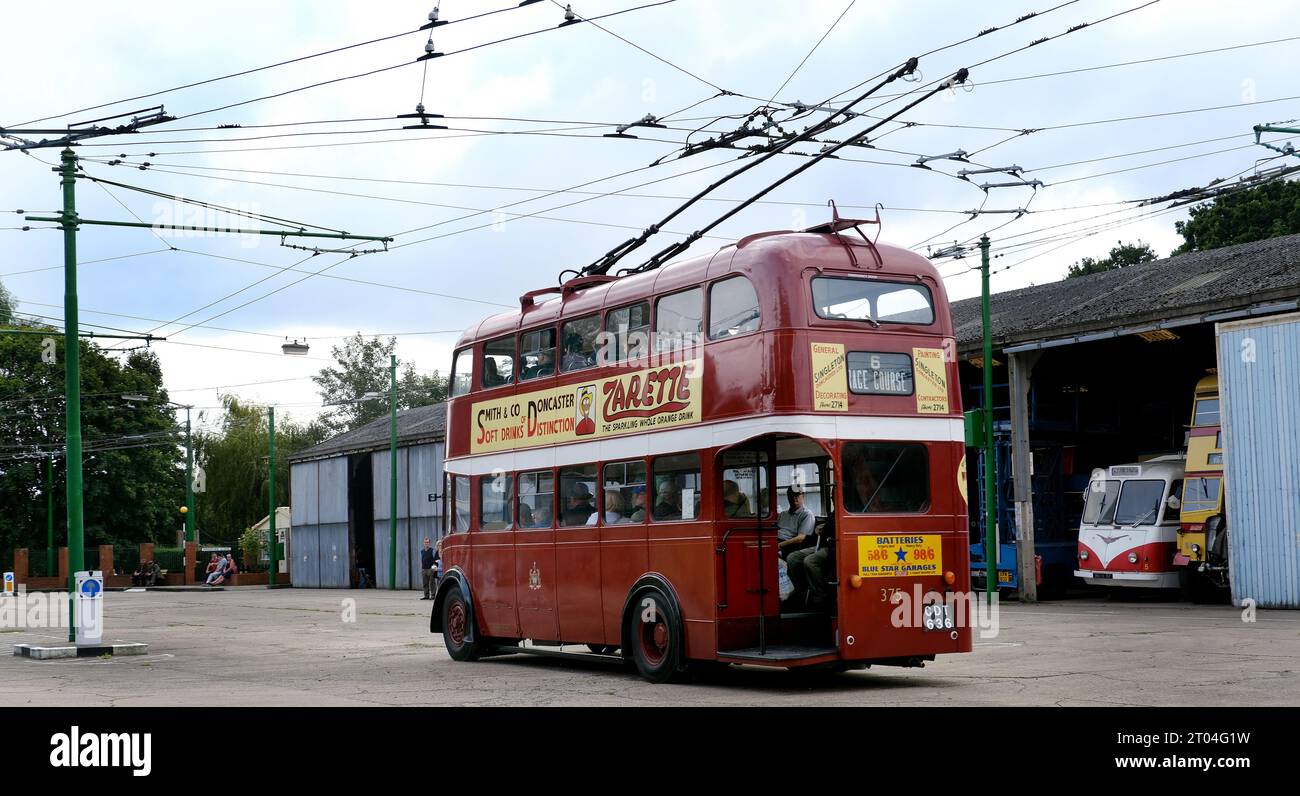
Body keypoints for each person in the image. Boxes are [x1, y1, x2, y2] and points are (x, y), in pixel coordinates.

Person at [786, 513, 835, 609]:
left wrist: (824, 528)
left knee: (810, 561)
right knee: (793, 558)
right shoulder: (832, 514)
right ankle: (801, 591)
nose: (832, 499)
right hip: (822, 545)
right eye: (832, 497)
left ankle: (820, 596)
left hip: (833, 547)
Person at [776, 486, 816, 558]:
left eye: (797, 495)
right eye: (791, 495)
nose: (794, 498)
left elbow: (801, 538)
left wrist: (780, 545)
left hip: (788, 545)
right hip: (775, 541)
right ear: (788, 497)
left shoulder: (806, 514)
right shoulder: (783, 514)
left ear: (803, 496)